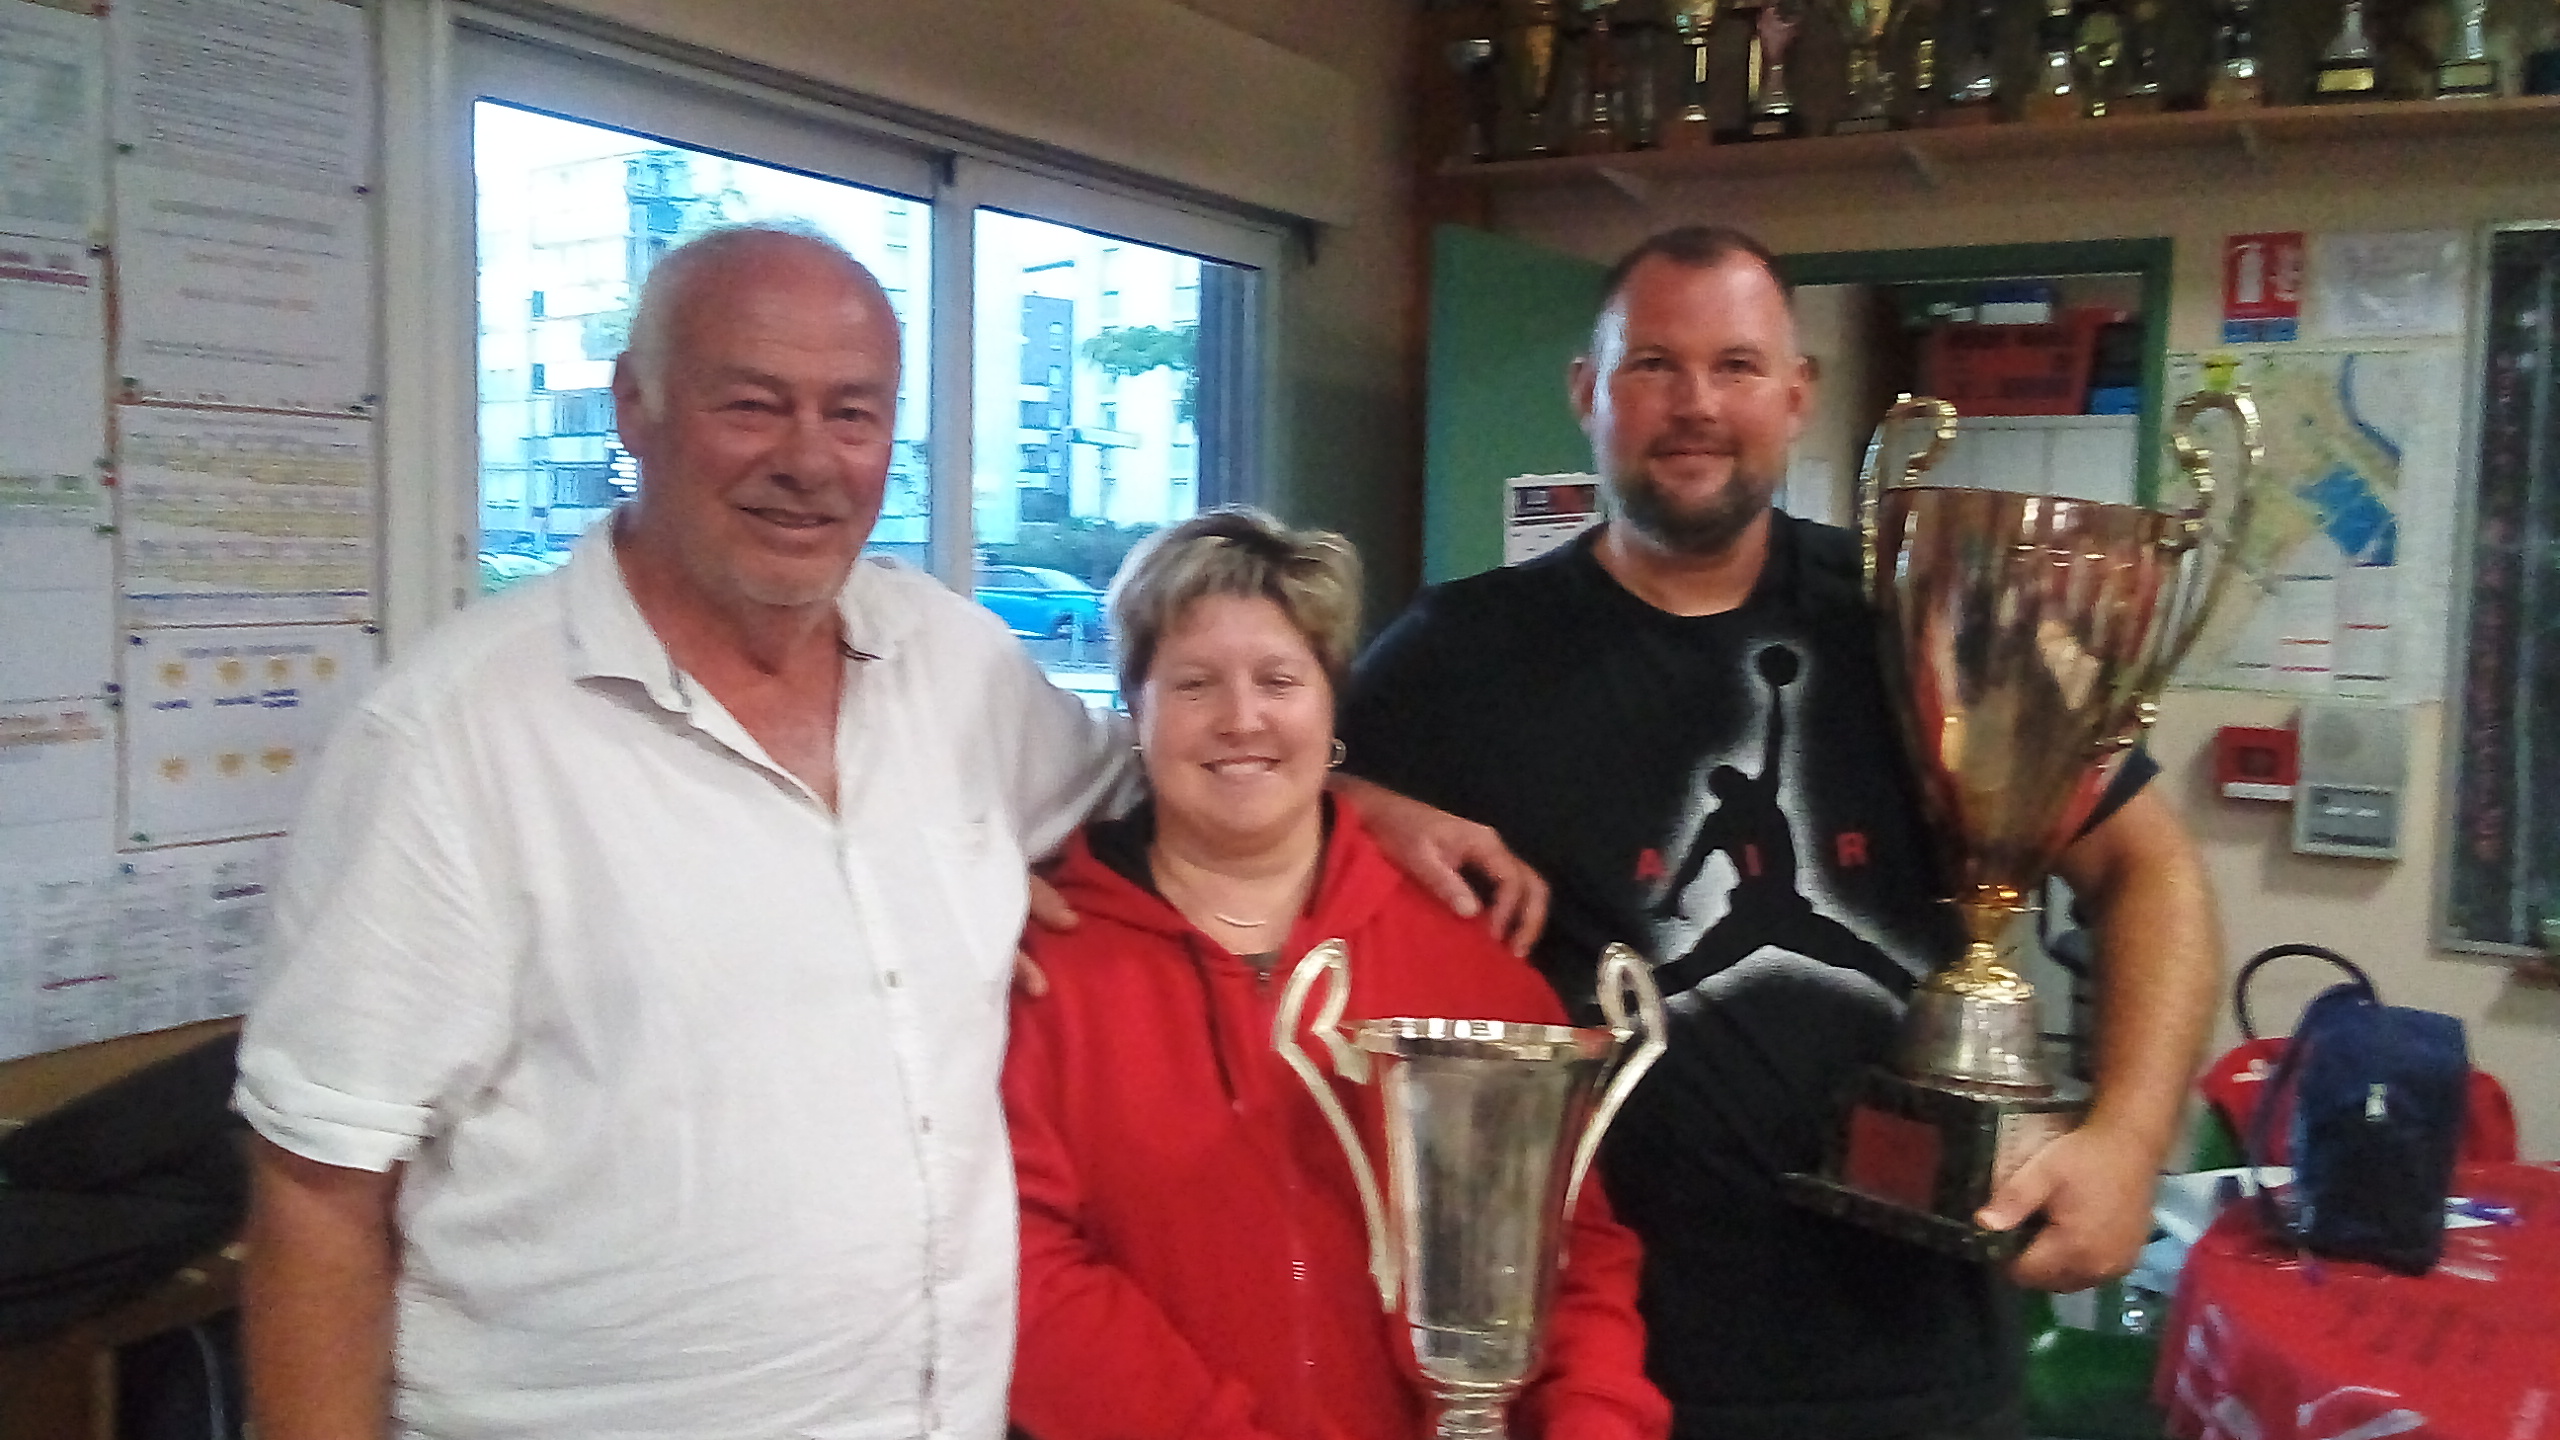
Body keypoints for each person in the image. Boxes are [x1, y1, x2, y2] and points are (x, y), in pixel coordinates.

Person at [231, 225, 1538, 1440]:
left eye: (852, 414)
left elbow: (1174, 776)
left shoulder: (951, 663)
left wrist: (1359, 800)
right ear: (635, 406)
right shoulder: (452, 741)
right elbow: (317, 1192)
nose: (809, 459)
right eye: (754, 403)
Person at [1336, 226, 2221, 1440]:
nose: (1696, 404)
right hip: (1597, 1370)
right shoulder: (1457, 654)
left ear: (1797, 394)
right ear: (1586, 392)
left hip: (1921, 1367)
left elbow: (2147, 865)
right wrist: (1359, 802)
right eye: (1653, 364)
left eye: (1737, 366)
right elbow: (1243, 811)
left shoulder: (1923, 612)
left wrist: (2127, 1142)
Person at [1004, 509, 1670, 1440]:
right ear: (1136, 713)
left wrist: (1592, 1424)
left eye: (1280, 680)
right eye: (1194, 684)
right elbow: (1025, 1266)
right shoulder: (1047, 968)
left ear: (1330, 707)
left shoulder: (1462, 960)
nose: (1242, 718)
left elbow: (1574, 1249)